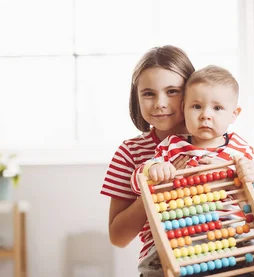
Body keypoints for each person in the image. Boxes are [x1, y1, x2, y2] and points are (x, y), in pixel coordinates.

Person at [131, 65, 254, 277]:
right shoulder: (173, 146)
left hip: (235, 236)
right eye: (196, 107)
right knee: (158, 266)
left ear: (234, 114)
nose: (206, 115)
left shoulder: (239, 149)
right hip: (185, 236)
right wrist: (154, 169)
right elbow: (137, 181)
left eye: (217, 108)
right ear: (184, 108)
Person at [100, 45, 197, 274]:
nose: (160, 103)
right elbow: (118, 237)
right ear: (137, 98)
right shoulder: (130, 152)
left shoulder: (214, 143)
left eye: (172, 91)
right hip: (163, 265)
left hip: (220, 255)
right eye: (148, 93)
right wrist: (154, 190)